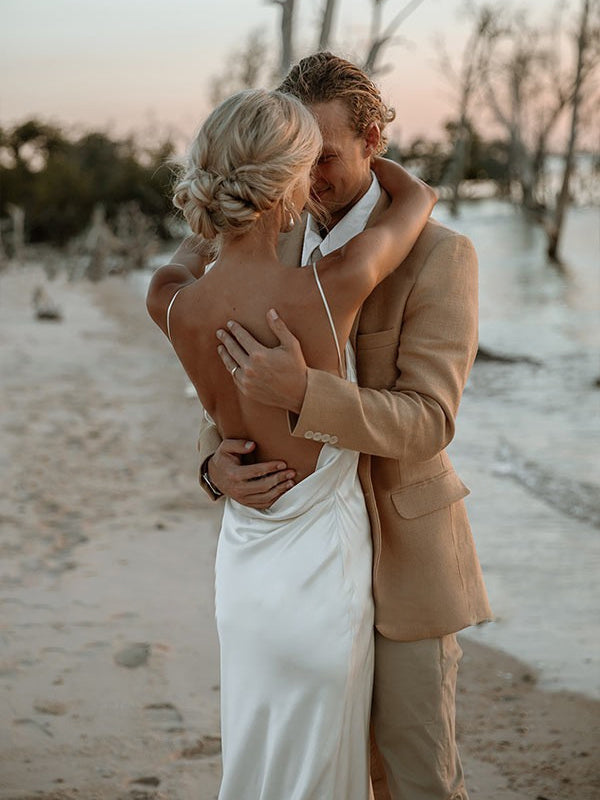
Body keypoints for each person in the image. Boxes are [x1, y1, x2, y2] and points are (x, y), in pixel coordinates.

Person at [196, 54, 493, 800]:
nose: (309, 178)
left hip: (405, 566)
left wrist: (308, 394)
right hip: (299, 572)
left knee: (416, 780)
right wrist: (213, 465)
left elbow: (430, 421)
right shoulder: (270, 241)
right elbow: (222, 388)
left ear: (372, 140)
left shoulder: (439, 255)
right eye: (298, 159)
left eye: (324, 157)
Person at [146, 88, 436, 800]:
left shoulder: (171, 299)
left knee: (256, 759)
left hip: (244, 577)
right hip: (321, 578)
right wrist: (372, 152)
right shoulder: (331, 288)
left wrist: (224, 212)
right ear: (289, 188)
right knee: (318, 773)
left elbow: (191, 254)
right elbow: (416, 201)